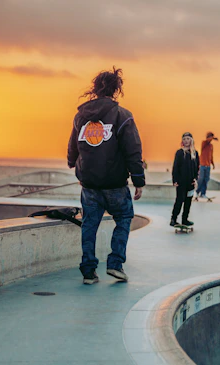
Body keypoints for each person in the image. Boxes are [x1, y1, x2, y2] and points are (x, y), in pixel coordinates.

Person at [67, 67, 145, 285]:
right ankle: (115, 264)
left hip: (89, 184)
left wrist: (71, 161)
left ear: (95, 89)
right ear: (115, 89)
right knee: (124, 218)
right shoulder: (123, 116)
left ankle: (89, 271)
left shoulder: (80, 117)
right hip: (115, 184)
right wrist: (138, 180)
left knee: (89, 225)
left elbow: (73, 144)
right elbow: (133, 150)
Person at [170, 132, 199, 227]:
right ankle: (173, 219)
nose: (186, 141)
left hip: (190, 182)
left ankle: (184, 219)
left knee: (188, 202)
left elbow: (196, 168)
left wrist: (195, 179)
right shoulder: (180, 152)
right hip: (181, 182)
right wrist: (175, 180)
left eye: (188, 139)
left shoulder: (195, 153)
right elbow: (175, 167)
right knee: (179, 200)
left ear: (191, 140)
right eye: (184, 139)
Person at [196, 132, 217, 198]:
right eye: (211, 137)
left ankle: (203, 193)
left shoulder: (211, 146)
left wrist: (213, 164)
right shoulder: (204, 143)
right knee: (201, 179)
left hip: (208, 165)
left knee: (206, 179)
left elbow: (211, 156)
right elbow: (207, 141)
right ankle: (197, 191)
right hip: (202, 164)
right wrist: (212, 138)